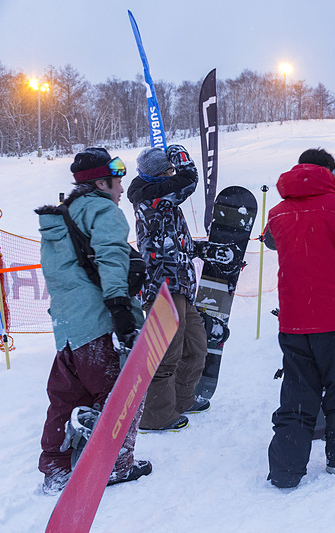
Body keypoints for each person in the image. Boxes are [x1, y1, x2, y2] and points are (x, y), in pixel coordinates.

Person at [261, 148, 335, 489]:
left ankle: (285, 470)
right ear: (330, 172)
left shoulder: (278, 211)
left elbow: (270, 242)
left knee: (297, 393)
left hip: (294, 316)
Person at [36, 147, 150, 494]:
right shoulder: (104, 211)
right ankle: (115, 464)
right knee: (123, 393)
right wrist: (119, 309)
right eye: (117, 180)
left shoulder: (61, 219)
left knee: (65, 397)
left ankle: (55, 467)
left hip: (66, 330)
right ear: (102, 182)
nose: (120, 188)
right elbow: (111, 257)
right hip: (98, 322)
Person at [127, 145, 208, 432]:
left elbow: (171, 239)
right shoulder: (151, 197)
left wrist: (199, 249)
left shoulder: (164, 202)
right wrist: (181, 157)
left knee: (196, 346)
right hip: (163, 285)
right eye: (169, 171)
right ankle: (156, 416)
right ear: (160, 175)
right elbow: (189, 181)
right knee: (167, 353)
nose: (173, 175)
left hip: (181, 283)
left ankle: (182, 401)